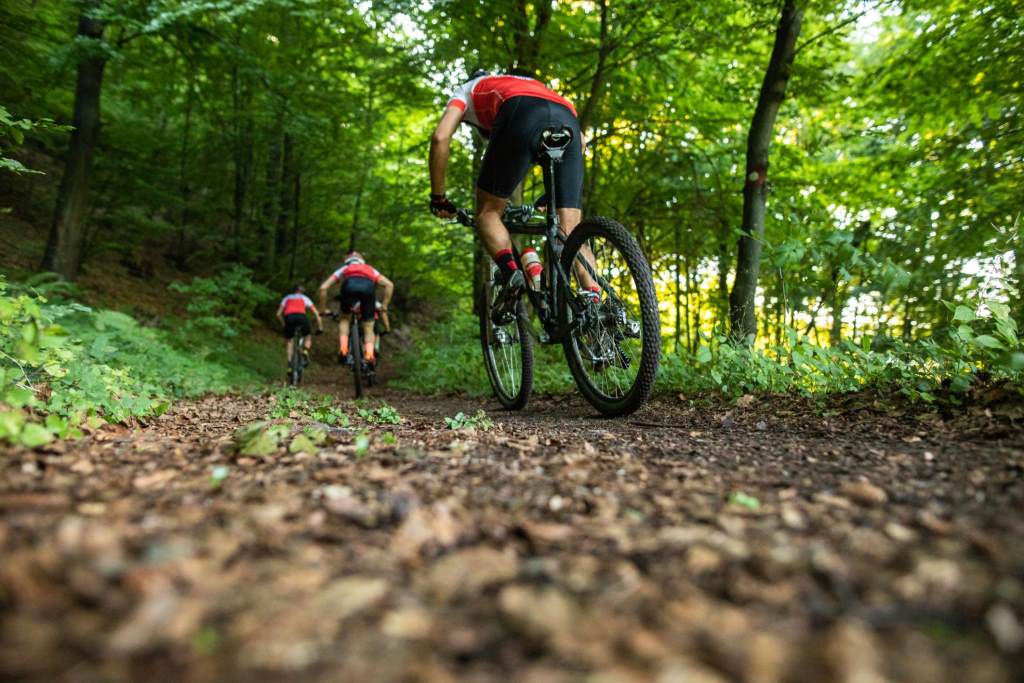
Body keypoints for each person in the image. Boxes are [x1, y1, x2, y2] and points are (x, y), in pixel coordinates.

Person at [427, 69, 599, 303]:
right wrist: (553, 194)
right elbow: (580, 142)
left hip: (519, 112)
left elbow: (440, 137)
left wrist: (438, 197)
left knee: (487, 213)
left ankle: (512, 272)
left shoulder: (467, 89)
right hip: (566, 116)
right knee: (570, 232)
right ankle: (596, 303)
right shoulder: (533, 84)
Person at [318, 251, 393, 368]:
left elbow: (323, 288)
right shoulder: (370, 269)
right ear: (362, 261)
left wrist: (322, 309)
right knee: (368, 326)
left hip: (349, 287)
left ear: (347, 261)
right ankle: (369, 354)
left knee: (344, 320)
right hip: (368, 289)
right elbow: (389, 285)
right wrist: (384, 305)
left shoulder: (344, 269)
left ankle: (343, 349)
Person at [276, 285, 323, 370]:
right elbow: (317, 313)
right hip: (301, 317)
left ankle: (290, 365)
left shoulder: (287, 298)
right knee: (308, 336)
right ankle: (305, 351)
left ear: (293, 290)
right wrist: (320, 327)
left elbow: (278, 314)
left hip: (289, 317)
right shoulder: (305, 298)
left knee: (290, 341)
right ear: (302, 291)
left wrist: (284, 325)